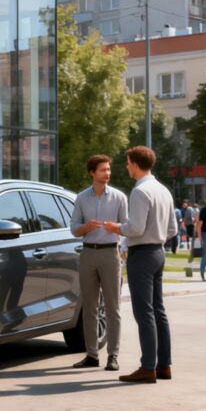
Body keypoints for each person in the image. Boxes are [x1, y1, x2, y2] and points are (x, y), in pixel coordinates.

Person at [103, 146, 178, 384]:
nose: (126, 167)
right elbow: (173, 229)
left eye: (127, 163)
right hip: (158, 252)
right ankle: (163, 364)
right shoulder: (163, 190)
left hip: (142, 254)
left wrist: (115, 228)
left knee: (143, 312)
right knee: (158, 311)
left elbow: (135, 228)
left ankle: (147, 367)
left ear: (135, 164)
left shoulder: (140, 191)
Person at [68, 154, 127, 372]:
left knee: (113, 308)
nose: (108, 173)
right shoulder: (82, 198)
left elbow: (127, 226)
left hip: (111, 254)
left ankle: (113, 355)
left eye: (109, 169)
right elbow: (74, 228)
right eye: (103, 170)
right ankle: (92, 355)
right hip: (88, 254)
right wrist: (86, 228)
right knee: (89, 307)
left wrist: (116, 229)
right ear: (92, 173)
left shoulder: (120, 197)